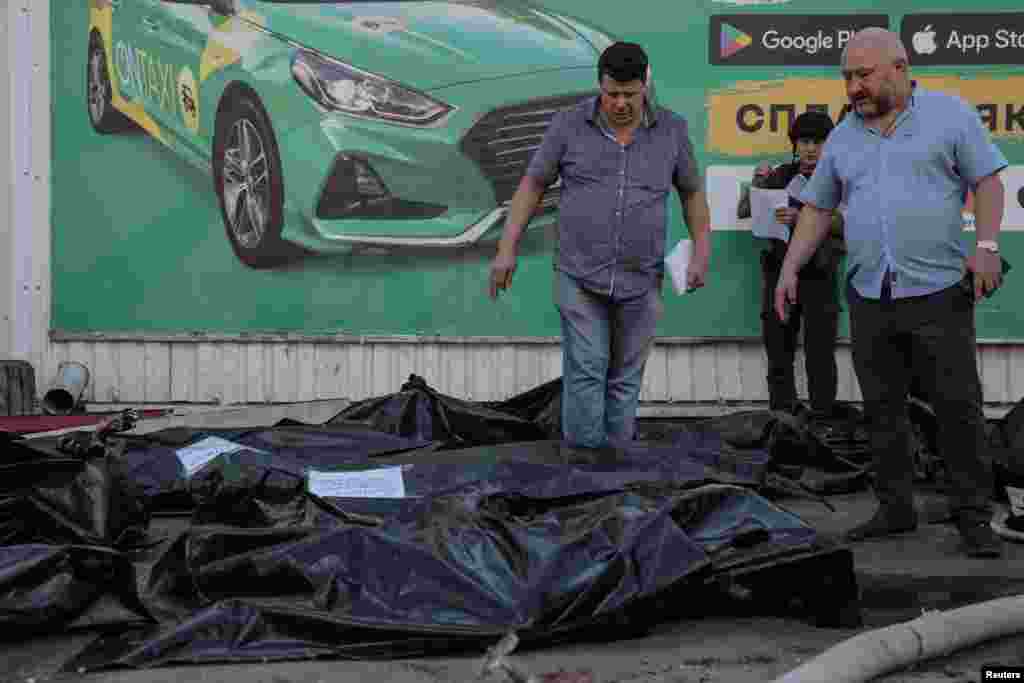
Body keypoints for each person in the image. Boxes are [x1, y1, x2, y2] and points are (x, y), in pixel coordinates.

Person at [774, 28, 1007, 557]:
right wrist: (790, 268)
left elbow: (989, 181)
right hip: (869, 293)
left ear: (899, 68)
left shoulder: (950, 116)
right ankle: (895, 508)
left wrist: (988, 246)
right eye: (847, 77)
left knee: (957, 407)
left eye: (864, 75)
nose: (854, 87)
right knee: (881, 408)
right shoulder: (844, 136)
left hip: (939, 291)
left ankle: (973, 517)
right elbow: (817, 208)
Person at [488, 41, 711, 450]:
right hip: (578, 275)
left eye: (630, 94)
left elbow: (692, 193)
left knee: (625, 378)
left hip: (641, 279)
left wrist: (702, 251)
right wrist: (507, 249)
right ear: (599, 86)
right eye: (612, 94)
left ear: (645, 84)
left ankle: (617, 467)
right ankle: (584, 470)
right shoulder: (567, 125)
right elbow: (532, 184)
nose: (621, 103)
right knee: (587, 369)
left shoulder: (672, 131)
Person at [737, 111, 844, 416]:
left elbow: (849, 224)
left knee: (820, 353)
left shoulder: (839, 177)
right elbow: (744, 211)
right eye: (805, 141)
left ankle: (823, 419)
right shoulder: (781, 174)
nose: (811, 149)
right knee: (779, 352)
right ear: (796, 145)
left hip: (821, 276)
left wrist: (804, 220)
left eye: (819, 142)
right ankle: (782, 419)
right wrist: (757, 184)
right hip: (777, 273)